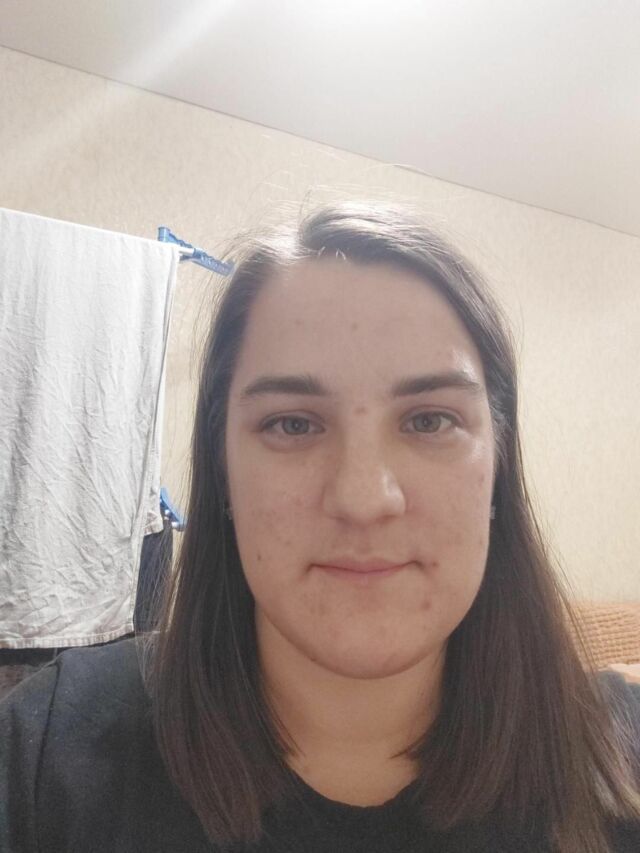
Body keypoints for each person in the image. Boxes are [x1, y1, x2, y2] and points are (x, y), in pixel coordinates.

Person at [1, 202, 639, 853]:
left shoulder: (622, 756)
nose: (364, 498)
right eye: (293, 424)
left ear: (498, 464)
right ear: (223, 470)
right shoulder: (44, 750)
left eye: (429, 420)